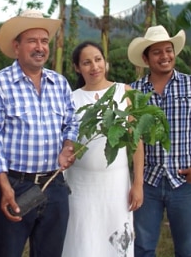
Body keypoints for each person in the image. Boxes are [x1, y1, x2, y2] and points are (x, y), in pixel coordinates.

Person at [0, 9, 79, 257]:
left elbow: (71, 123)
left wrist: (68, 146)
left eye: (44, 41)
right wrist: (3, 186)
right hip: (15, 186)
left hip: (54, 186)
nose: (40, 47)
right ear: (17, 47)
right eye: (32, 41)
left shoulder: (60, 83)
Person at [62, 41, 144, 257]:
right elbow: (66, 142)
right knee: (82, 240)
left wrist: (137, 184)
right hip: (80, 185)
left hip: (115, 184)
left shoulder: (124, 92)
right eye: (86, 62)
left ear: (105, 62)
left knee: (115, 243)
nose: (94, 66)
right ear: (77, 68)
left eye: (98, 60)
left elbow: (136, 142)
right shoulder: (71, 98)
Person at [128, 25, 191, 256]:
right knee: (143, 247)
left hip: (185, 182)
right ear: (146, 58)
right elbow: (132, 137)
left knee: (188, 249)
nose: (165, 56)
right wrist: (136, 181)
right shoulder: (134, 92)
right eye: (157, 52)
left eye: (168, 50)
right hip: (148, 181)